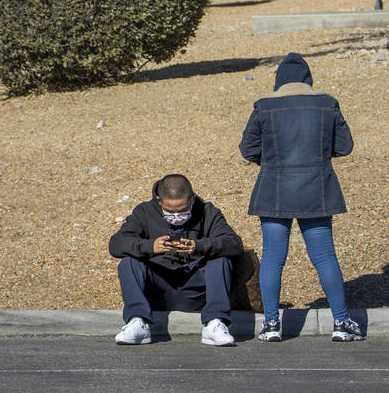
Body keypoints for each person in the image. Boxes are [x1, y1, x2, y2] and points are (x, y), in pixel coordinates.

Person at [240, 52, 364, 343]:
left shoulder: (264, 106)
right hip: (316, 188)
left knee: (273, 258)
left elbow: (248, 149)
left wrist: (270, 162)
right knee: (323, 257)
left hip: (274, 189)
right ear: (308, 78)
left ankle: (271, 325)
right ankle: (342, 322)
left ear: (279, 81)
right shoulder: (327, 103)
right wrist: (319, 156)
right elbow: (345, 146)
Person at [109, 174, 243, 346]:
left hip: (196, 290)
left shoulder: (208, 212)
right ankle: (137, 321)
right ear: (159, 201)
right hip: (157, 290)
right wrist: (150, 247)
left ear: (192, 200)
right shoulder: (144, 212)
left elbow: (234, 243)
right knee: (128, 262)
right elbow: (116, 244)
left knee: (222, 259)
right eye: (170, 212)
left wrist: (199, 246)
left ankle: (215, 323)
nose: (177, 216)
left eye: (182, 210)